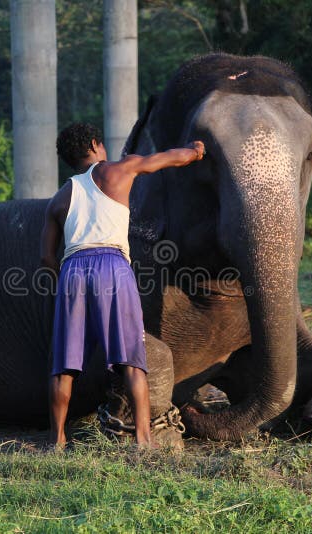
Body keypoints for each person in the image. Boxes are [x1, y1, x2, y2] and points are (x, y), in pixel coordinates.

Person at [40, 122, 205, 449]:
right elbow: (168, 159)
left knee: (64, 366)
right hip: (112, 267)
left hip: (72, 269)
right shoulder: (119, 170)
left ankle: (57, 440)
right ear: (94, 144)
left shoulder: (59, 199)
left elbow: (45, 258)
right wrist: (196, 151)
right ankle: (144, 440)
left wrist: (68, 283)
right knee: (131, 357)